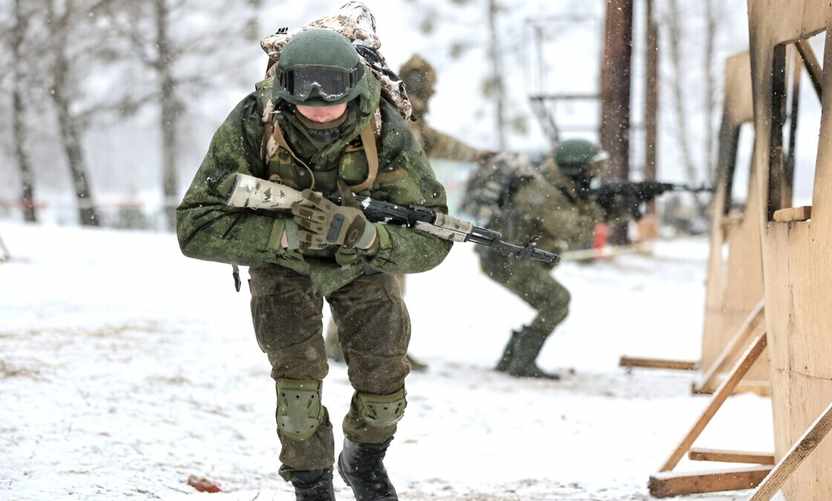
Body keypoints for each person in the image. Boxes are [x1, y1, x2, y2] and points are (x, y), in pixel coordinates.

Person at [176, 28, 451, 501]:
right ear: (285, 87)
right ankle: (312, 485)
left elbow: (432, 240)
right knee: (298, 391)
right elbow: (194, 228)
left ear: (354, 83)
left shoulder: (385, 129)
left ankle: (362, 462)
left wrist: (365, 233)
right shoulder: (254, 120)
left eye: (332, 88)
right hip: (281, 262)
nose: (320, 103)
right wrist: (287, 234)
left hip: (360, 262)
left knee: (385, 386)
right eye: (305, 89)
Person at [324, 54, 488, 369]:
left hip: (389, 206)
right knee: (383, 280)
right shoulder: (391, 112)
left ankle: (350, 342)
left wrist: (476, 154)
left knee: (376, 277)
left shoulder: (403, 113)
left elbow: (436, 142)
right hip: (377, 204)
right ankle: (374, 345)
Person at [477, 139, 608, 380]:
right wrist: (597, 207)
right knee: (556, 301)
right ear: (575, 169)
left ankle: (511, 359)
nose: (596, 175)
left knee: (551, 302)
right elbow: (574, 233)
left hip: (509, 256)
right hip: (505, 260)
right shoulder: (542, 191)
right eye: (592, 169)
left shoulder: (556, 184)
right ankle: (521, 363)